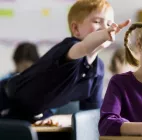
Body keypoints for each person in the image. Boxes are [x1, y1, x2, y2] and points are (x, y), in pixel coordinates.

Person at [2, 0, 130, 124]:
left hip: (37, 114)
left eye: (109, 24)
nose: (105, 28)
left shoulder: (98, 69)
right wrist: (102, 34)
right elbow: (85, 46)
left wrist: (63, 119)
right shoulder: (69, 48)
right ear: (75, 29)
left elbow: (92, 115)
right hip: (7, 100)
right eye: (97, 22)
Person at [0, 42, 39, 116]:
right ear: (16, 63)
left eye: (30, 69)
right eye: (24, 68)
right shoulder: (4, 82)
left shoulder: (40, 83)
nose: (26, 73)